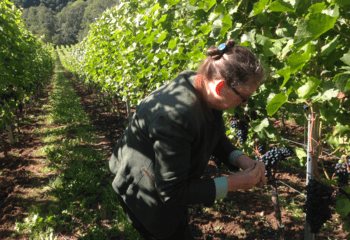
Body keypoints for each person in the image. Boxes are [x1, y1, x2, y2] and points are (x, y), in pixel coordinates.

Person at [109, 39, 267, 240]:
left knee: (178, 221)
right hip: (144, 190)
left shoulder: (202, 85)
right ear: (220, 87)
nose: (244, 103)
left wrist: (242, 159)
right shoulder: (175, 118)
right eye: (244, 97)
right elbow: (171, 192)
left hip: (166, 183)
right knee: (165, 229)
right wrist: (233, 183)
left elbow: (216, 135)